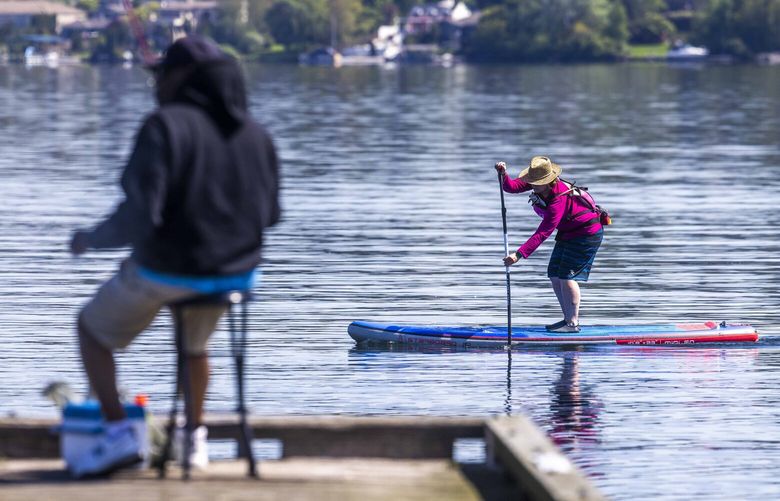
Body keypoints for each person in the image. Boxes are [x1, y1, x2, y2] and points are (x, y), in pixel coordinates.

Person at [69, 35, 280, 477]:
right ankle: (194, 440)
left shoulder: (162, 126)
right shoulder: (257, 134)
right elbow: (271, 215)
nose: (156, 84)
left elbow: (141, 215)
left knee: (91, 329)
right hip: (236, 277)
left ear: (182, 78)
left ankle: (119, 434)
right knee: (195, 346)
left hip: (170, 270)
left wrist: (91, 239)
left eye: (162, 74)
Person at [495, 156, 603, 333]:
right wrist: (503, 174)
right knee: (554, 274)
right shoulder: (537, 183)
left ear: (549, 181)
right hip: (569, 232)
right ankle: (567, 320)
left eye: (537, 182)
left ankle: (572, 324)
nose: (533, 185)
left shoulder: (558, 200)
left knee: (567, 276)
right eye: (532, 181)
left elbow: (543, 232)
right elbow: (511, 187)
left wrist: (518, 255)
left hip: (586, 234)